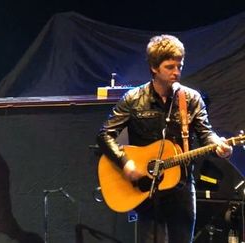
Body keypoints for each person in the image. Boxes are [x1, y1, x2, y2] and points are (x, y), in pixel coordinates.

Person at [96, 34, 232, 243]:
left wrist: (218, 144)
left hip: (182, 188)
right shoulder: (133, 99)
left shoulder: (191, 99)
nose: (176, 72)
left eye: (179, 66)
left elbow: (206, 133)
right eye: (170, 67)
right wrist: (125, 163)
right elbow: (105, 135)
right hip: (147, 189)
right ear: (154, 68)